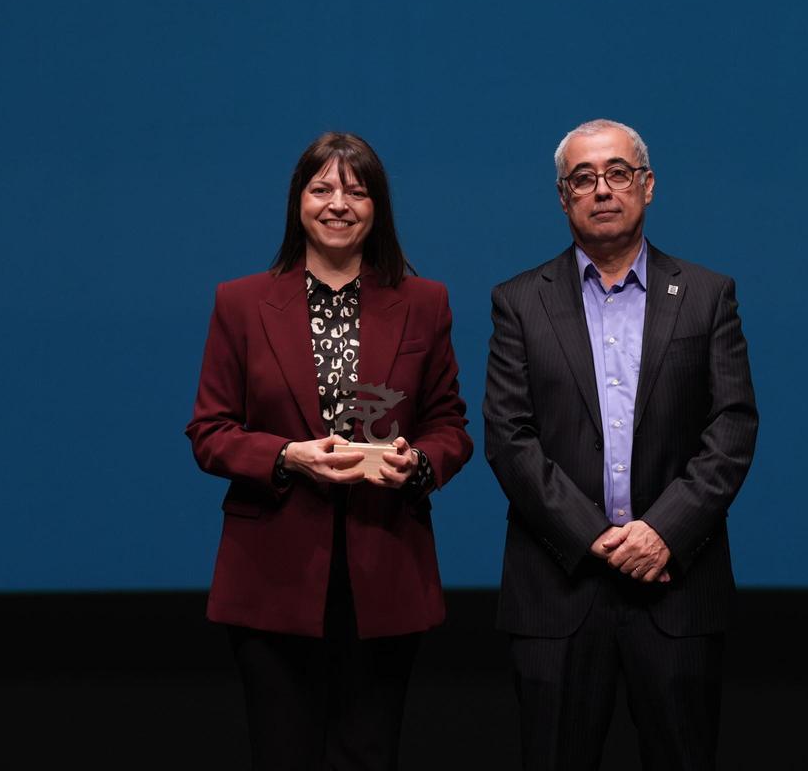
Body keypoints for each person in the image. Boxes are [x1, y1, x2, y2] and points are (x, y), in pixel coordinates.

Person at [185, 132, 472, 770]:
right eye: (321, 189)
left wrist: (418, 464)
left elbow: (448, 424)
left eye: (356, 189)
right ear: (298, 203)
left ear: (378, 207)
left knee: (368, 755)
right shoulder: (240, 303)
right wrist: (288, 456)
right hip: (271, 574)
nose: (338, 203)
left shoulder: (424, 303)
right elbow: (210, 432)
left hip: (385, 566)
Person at [483, 119, 758, 771]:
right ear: (562, 196)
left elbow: (732, 426)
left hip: (676, 588)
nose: (601, 189)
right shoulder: (519, 302)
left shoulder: (706, 296)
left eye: (618, 173)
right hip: (558, 593)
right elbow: (509, 437)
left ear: (648, 185)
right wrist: (597, 536)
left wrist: (662, 532)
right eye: (583, 178)